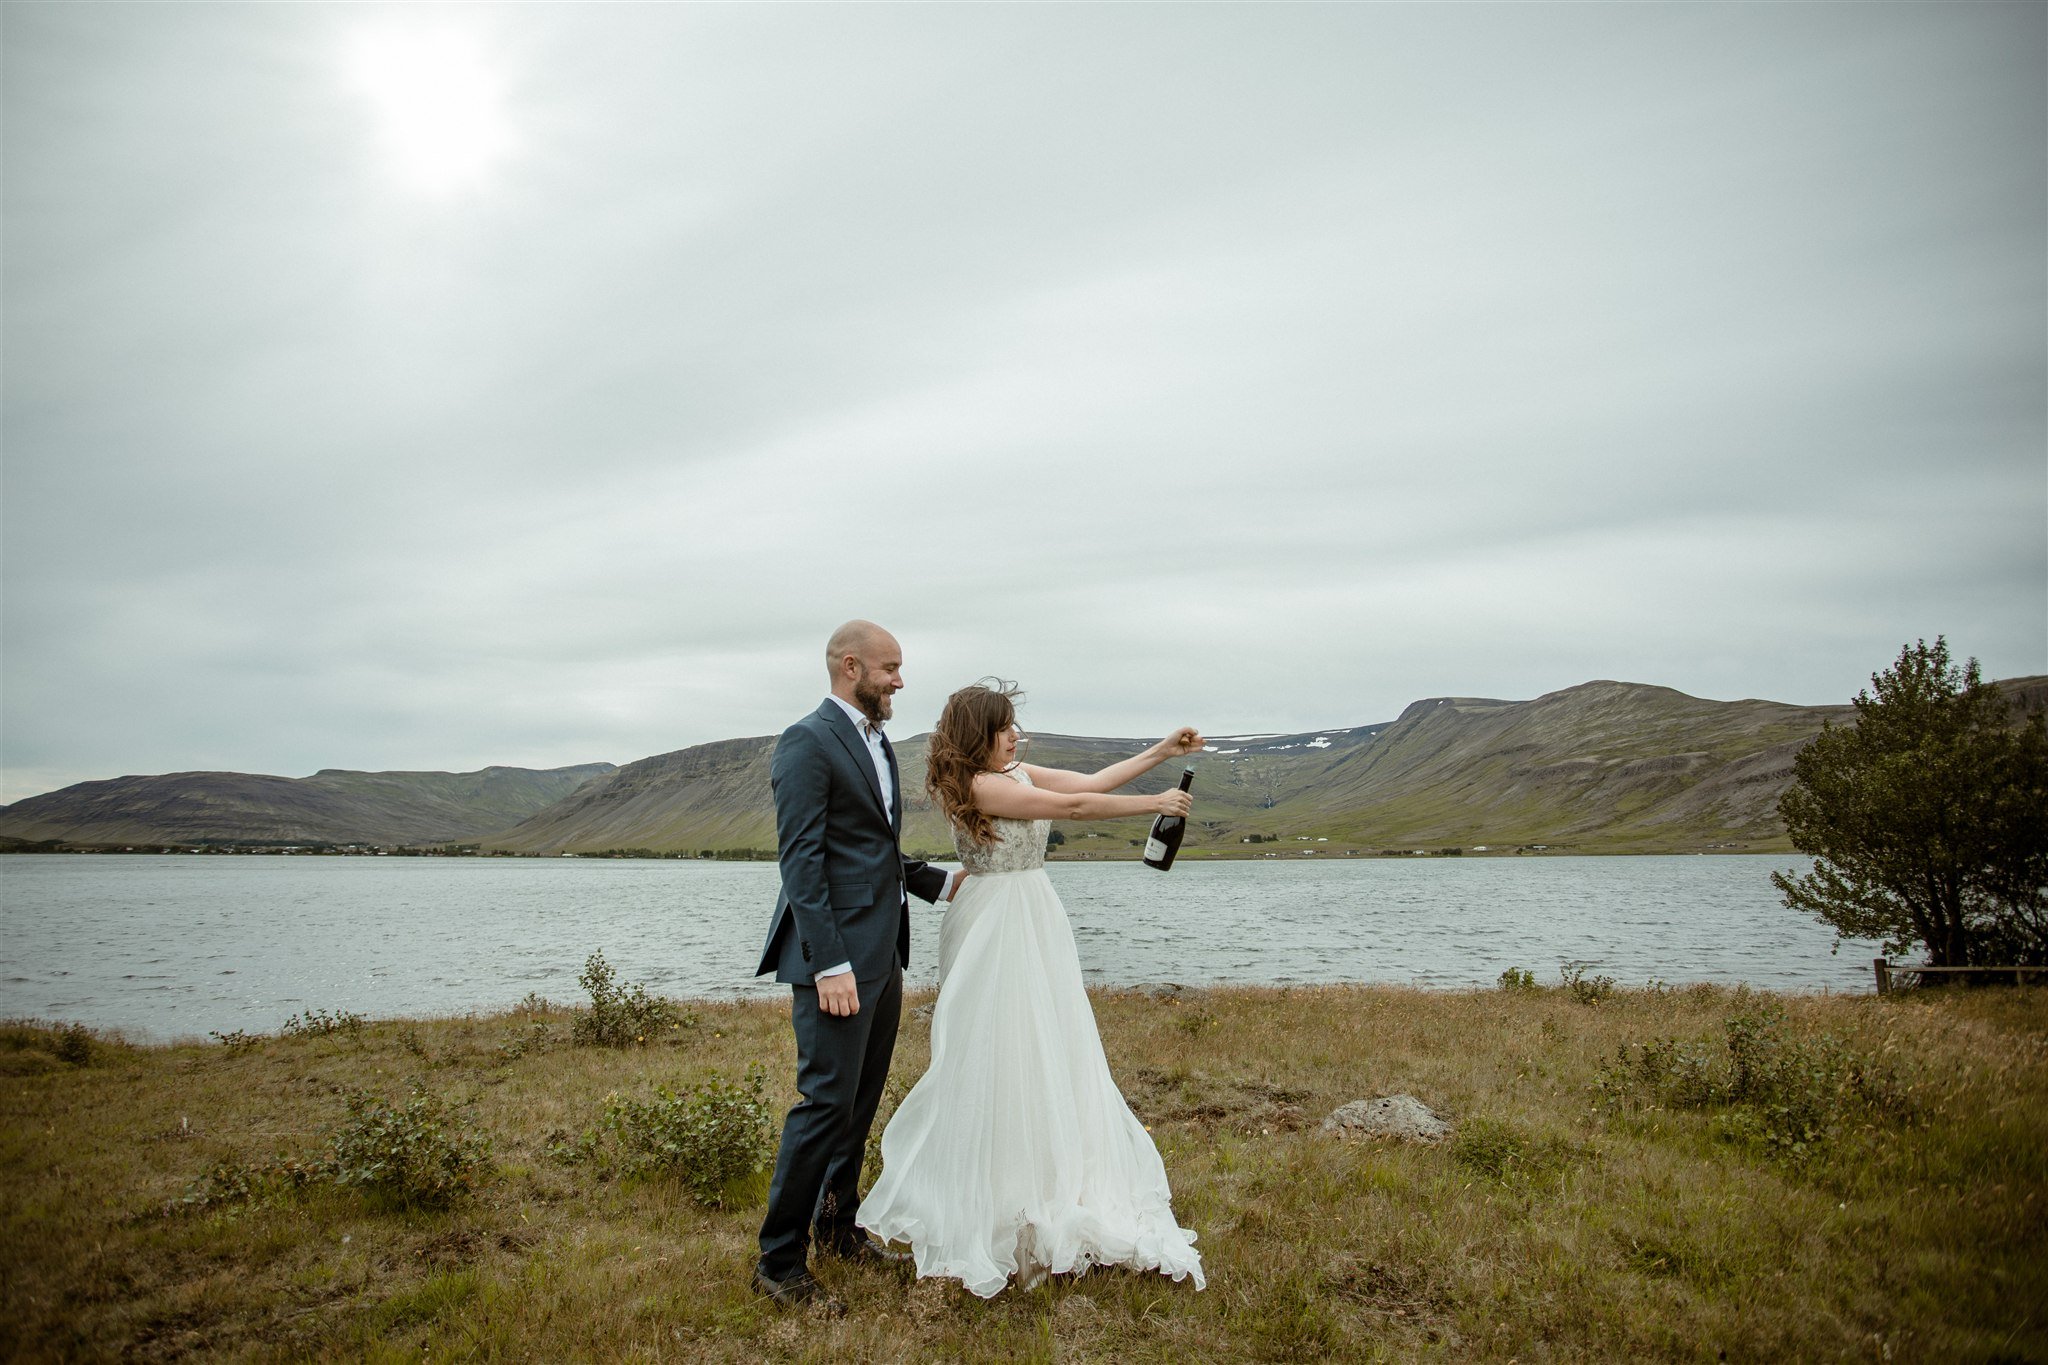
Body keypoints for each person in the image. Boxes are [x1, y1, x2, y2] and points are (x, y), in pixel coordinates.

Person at [857, 679, 1208, 1298]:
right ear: (978, 734)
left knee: (1051, 1043)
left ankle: (1045, 1182)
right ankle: (995, 1202)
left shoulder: (1013, 771)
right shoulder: (975, 785)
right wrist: (1154, 802)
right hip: (994, 923)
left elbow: (1087, 785)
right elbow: (1070, 810)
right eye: (1004, 726)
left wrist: (1160, 752)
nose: (1015, 735)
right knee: (996, 1049)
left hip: (1034, 914)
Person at [752, 621, 964, 1314]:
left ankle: (837, 1226)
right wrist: (829, 963)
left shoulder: (877, 743)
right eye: (890, 667)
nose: (900, 679)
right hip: (837, 964)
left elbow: (869, 848)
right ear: (851, 666)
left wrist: (937, 882)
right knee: (823, 1107)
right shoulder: (807, 741)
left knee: (859, 1105)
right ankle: (778, 1262)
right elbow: (803, 863)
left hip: (881, 955)